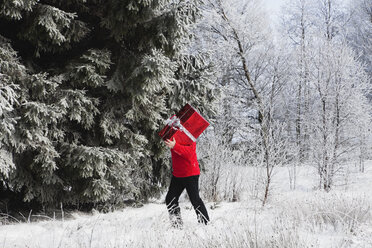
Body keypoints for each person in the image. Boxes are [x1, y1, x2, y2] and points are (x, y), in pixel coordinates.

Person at [164, 137, 210, 227]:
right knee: (170, 199)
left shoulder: (189, 134)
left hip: (190, 173)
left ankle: (205, 225)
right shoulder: (175, 133)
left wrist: (174, 145)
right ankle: (176, 225)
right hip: (178, 174)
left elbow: (189, 153)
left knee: (195, 200)